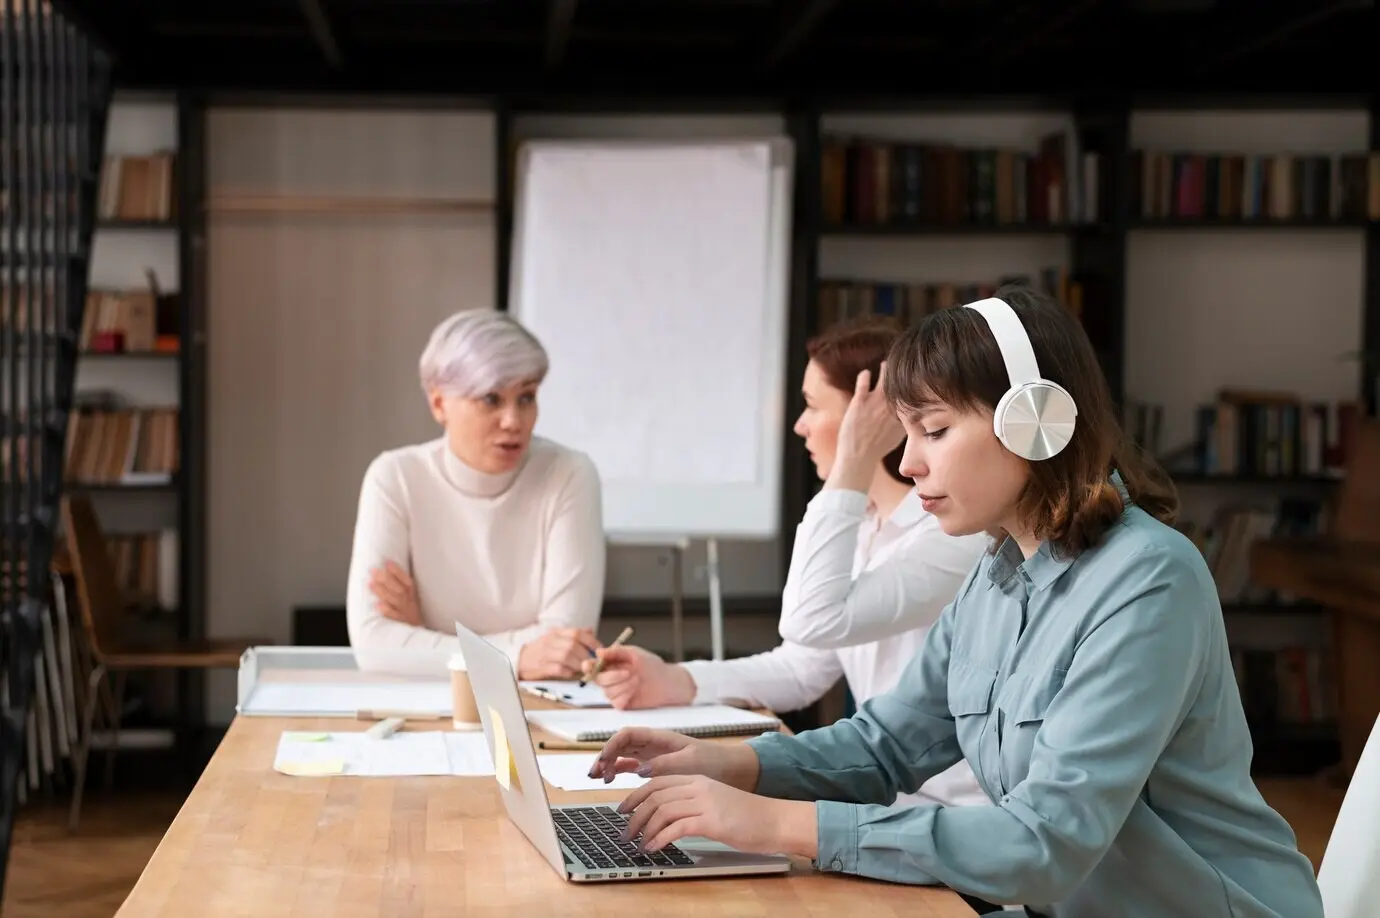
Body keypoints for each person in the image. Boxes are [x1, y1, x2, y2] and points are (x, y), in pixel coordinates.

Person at [587, 287, 1325, 918]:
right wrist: (730, 765)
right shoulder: (997, 571)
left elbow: (1043, 844)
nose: (909, 463)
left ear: (1035, 421)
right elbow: (885, 745)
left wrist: (775, 824)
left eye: (934, 431)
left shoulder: (1147, 581)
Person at [585, 316, 991, 809]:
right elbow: (804, 667)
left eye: (813, 406)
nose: (800, 425)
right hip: (891, 794)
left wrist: (851, 464)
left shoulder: (953, 536)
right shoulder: (861, 523)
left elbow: (812, 618)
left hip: (948, 809)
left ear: (872, 415)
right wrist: (677, 680)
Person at [345, 308, 607, 679]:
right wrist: (519, 657)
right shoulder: (395, 477)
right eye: (490, 399)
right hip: (427, 701)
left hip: (538, 703)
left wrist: (423, 640)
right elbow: (373, 646)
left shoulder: (569, 474)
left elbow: (565, 646)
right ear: (439, 404)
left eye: (526, 397)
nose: (513, 421)